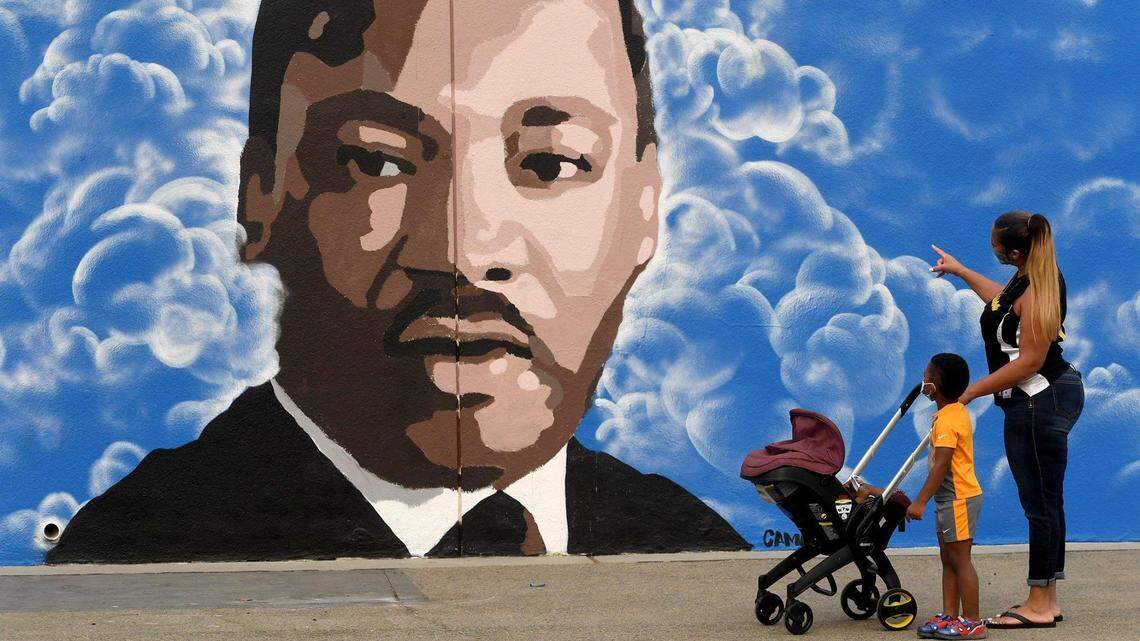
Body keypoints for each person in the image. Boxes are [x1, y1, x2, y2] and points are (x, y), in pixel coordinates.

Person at [47, 0, 747, 563]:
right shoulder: (138, 554)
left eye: (550, 164)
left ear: (645, 210)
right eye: (376, 164)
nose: (465, 249)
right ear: (259, 198)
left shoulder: (705, 552)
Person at [931, 211, 1083, 629]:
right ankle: (1046, 599)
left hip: (1038, 401)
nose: (991, 247)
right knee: (1048, 501)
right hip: (1047, 397)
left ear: (1013, 250)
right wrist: (962, 272)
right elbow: (1002, 303)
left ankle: (1037, 603)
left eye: (993, 244)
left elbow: (1031, 361)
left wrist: (972, 390)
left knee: (1039, 504)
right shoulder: (1029, 275)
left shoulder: (1035, 285)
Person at [906, 354, 986, 640]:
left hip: (959, 499)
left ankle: (973, 622)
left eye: (927, 375)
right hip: (949, 500)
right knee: (948, 557)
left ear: (935, 386)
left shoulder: (949, 421)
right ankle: (949, 615)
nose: (923, 380)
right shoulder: (949, 413)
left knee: (960, 559)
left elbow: (941, 464)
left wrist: (920, 501)